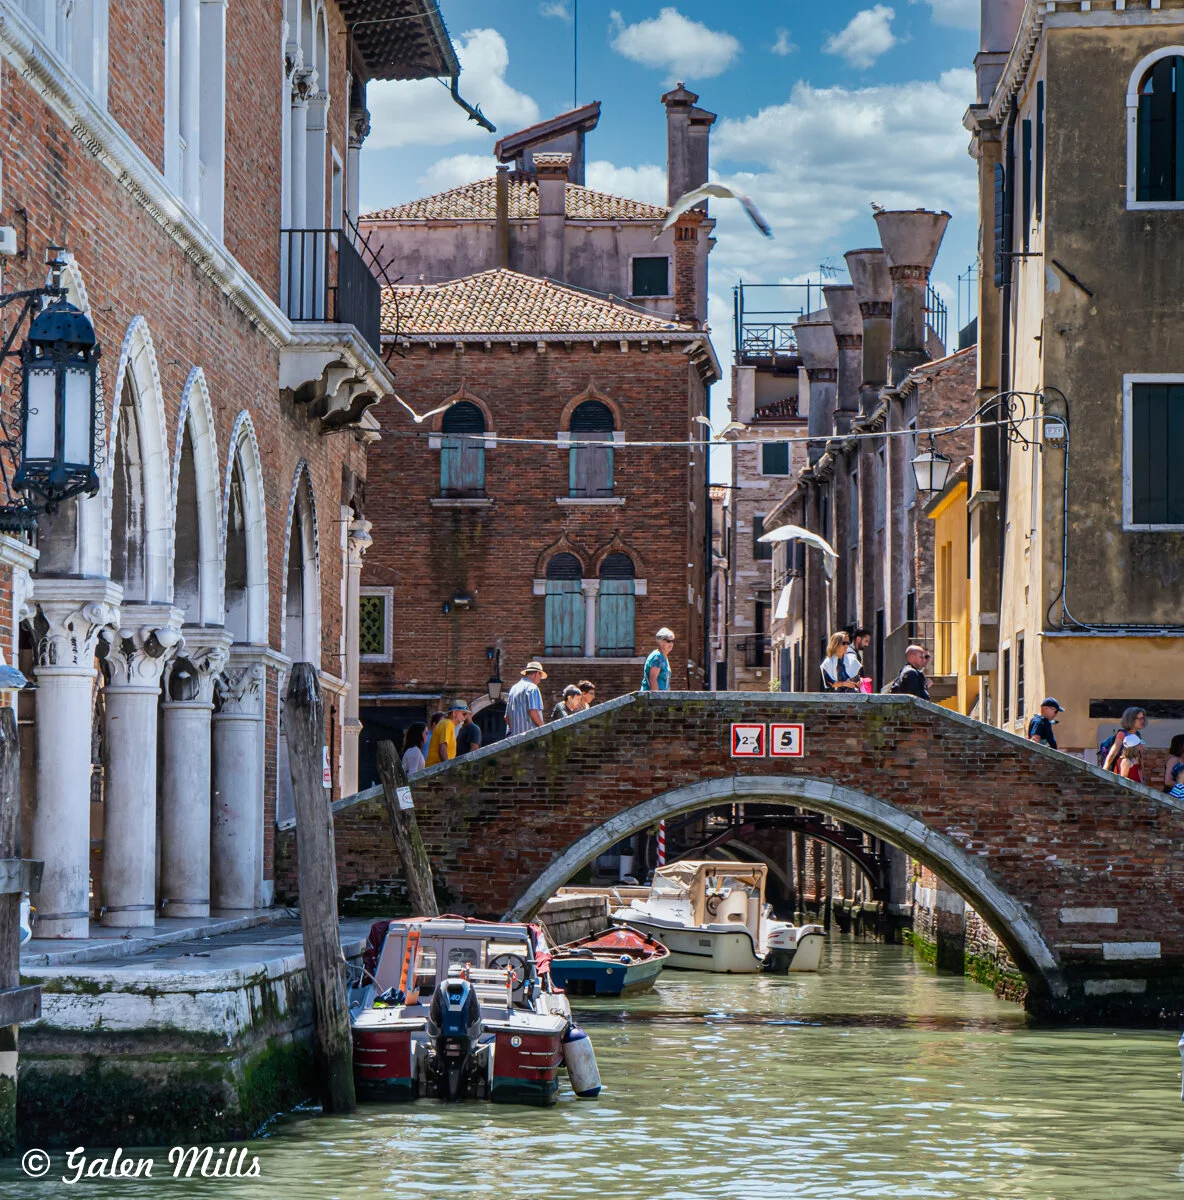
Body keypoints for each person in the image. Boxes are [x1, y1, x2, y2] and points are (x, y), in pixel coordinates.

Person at [506, 662, 546, 736]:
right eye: (540, 677)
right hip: (530, 738)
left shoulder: (513, 689)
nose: (540, 680)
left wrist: (516, 731)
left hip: (514, 739)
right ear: (537, 674)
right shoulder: (533, 688)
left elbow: (506, 717)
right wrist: (544, 728)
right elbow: (533, 711)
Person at [1103, 706, 1147, 773]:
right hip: (1123, 772)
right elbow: (1113, 753)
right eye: (1139, 719)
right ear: (1131, 720)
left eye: (1142, 718)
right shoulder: (1122, 734)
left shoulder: (1138, 735)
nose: (1142, 721)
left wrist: (1142, 776)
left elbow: (1139, 757)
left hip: (1135, 773)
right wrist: (1104, 770)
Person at [426, 700, 468, 766]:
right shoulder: (447, 724)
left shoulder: (447, 724)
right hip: (436, 770)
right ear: (454, 713)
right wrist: (448, 769)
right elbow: (442, 750)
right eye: (463, 714)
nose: (464, 718)